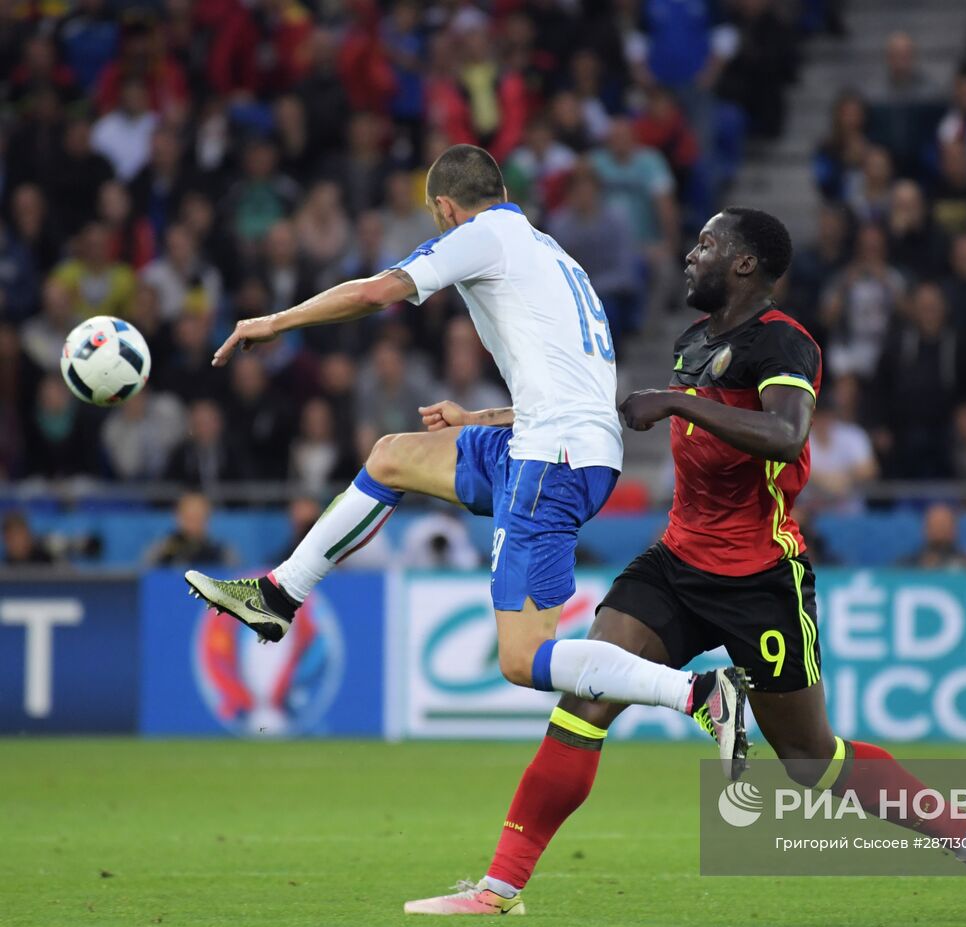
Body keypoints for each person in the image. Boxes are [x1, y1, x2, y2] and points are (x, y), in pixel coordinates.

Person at [406, 208, 966, 918]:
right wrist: (484, 419)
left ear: (744, 264)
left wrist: (676, 402)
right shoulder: (693, 341)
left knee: (809, 760)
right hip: (675, 561)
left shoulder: (783, 344)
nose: (691, 254)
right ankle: (500, 887)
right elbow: (598, 411)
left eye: (706, 243)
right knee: (585, 696)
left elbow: (787, 437)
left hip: (761, 577)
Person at [184, 144, 748, 777]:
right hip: (552, 444)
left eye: (436, 220)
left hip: (552, 462)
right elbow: (580, 393)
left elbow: (377, 293)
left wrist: (275, 322)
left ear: (444, 209)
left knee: (522, 657)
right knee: (394, 457)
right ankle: (280, 594)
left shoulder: (483, 235)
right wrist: (480, 419)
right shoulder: (553, 256)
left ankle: (698, 694)